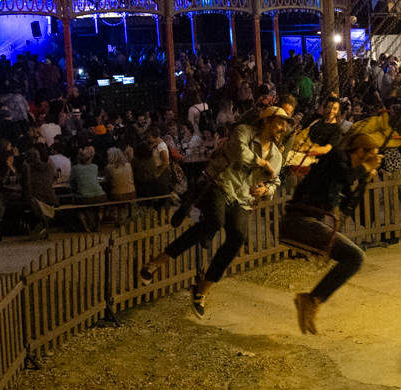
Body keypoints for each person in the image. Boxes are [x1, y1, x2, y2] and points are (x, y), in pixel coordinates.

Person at [139, 107, 291, 317]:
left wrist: (266, 190)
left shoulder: (276, 155)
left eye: (286, 124)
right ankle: (158, 262)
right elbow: (241, 153)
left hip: (242, 198)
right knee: (215, 221)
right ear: (266, 121)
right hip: (218, 183)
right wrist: (262, 162)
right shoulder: (243, 132)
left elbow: (275, 181)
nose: (284, 128)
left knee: (238, 237)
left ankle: (201, 290)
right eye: (280, 123)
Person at [280, 129, 381, 333]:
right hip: (298, 221)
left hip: (307, 221)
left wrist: (365, 179)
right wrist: (365, 167)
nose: (374, 160)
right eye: (371, 155)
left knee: (354, 257)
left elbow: (347, 207)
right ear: (360, 151)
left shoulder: (345, 172)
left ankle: (312, 300)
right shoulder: (335, 158)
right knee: (355, 257)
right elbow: (344, 174)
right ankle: (312, 300)